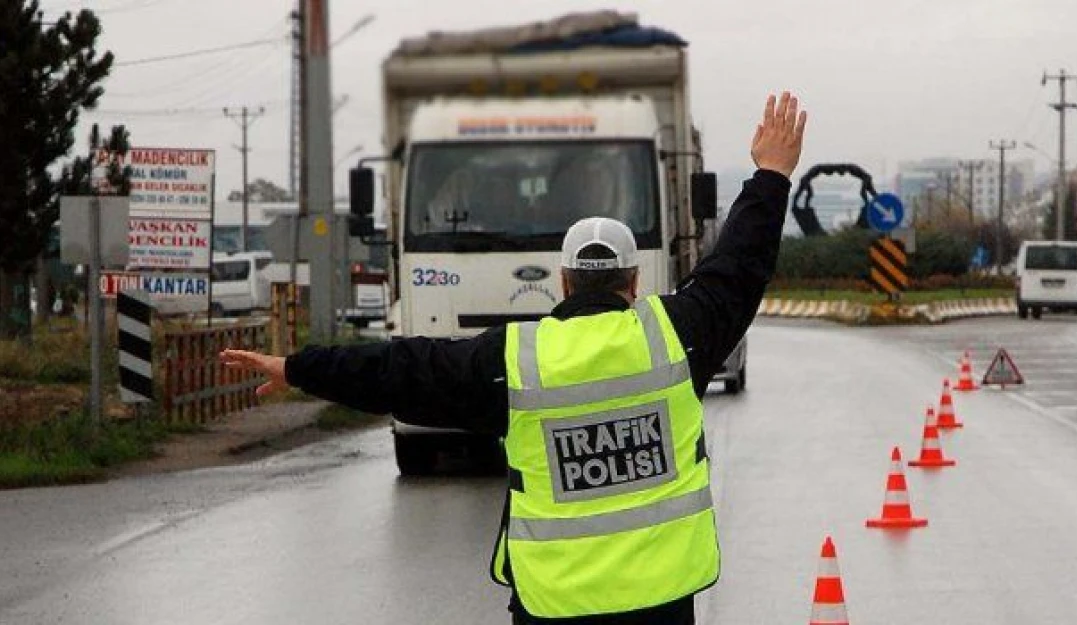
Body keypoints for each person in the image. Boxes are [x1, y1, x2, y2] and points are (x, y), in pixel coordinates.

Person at [220, 91, 807, 624]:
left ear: (564, 281)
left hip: (554, 606)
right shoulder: (675, 337)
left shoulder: (517, 359)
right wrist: (771, 176)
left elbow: (401, 371)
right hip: (660, 604)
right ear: (634, 283)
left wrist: (298, 368)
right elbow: (738, 268)